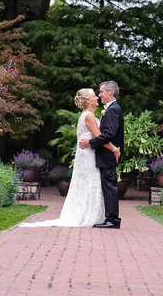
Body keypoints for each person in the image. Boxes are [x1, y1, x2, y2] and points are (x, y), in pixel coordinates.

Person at [19, 88, 120, 227]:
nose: (97, 97)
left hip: (87, 153)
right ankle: (88, 215)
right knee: (90, 182)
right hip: (88, 154)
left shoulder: (85, 115)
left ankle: (86, 213)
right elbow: (99, 137)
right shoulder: (89, 116)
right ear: (87, 100)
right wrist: (115, 149)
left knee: (86, 183)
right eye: (94, 96)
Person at [79, 80, 124, 229]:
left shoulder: (113, 109)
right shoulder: (111, 109)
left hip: (108, 155)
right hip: (106, 154)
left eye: (102, 92)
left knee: (110, 186)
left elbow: (109, 134)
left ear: (109, 92)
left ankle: (112, 220)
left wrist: (91, 143)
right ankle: (110, 218)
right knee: (108, 186)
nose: (100, 95)